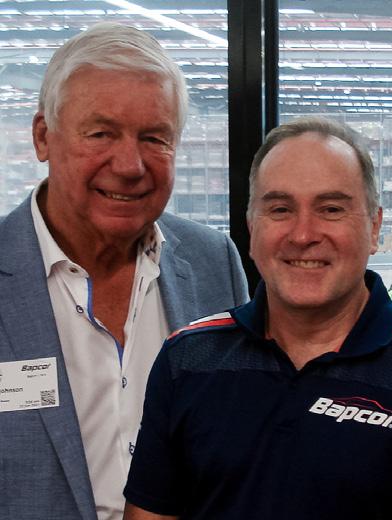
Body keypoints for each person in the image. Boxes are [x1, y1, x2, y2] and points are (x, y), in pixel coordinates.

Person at [0, 22, 248, 520]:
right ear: (43, 136)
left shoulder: (213, 263)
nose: (131, 165)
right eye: (101, 134)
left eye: (154, 138)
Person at [123, 116, 392, 520]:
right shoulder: (187, 359)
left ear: (374, 227)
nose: (303, 234)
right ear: (251, 228)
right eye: (280, 209)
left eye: (331, 209)